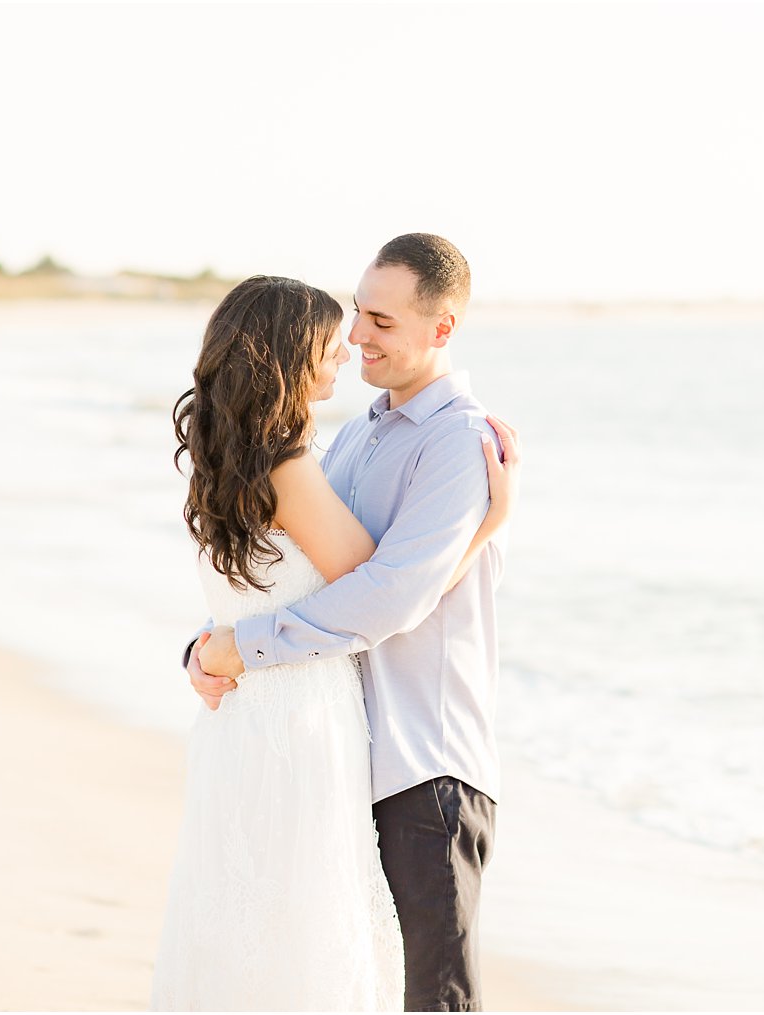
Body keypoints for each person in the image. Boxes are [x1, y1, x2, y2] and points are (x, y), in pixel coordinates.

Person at [150, 268, 518, 1011]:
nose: (352, 343)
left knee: (279, 931)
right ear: (286, 355)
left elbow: (335, 587)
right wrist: (490, 526)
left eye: (377, 321)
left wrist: (219, 646)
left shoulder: (440, 440)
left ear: (439, 326)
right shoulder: (328, 449)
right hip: (306, 725)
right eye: (346, 324)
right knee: (304, 939)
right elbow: (377, 587)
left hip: (405, 750)